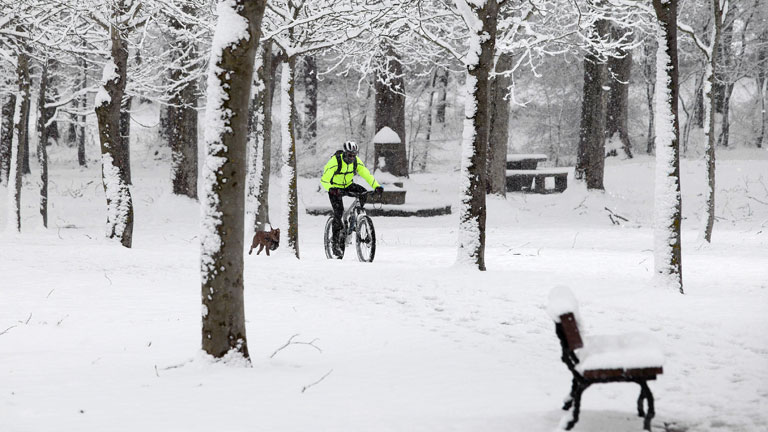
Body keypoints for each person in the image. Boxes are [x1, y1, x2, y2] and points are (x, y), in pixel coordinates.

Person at [321, 141, 383, 256]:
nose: (352, 158)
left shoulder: (356, 162)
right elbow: (324, 180)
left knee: (363, 192)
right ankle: (335, 244)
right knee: (338, 213)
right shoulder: (335, 162)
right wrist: (331, 188)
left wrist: (376, 186)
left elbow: (367, 175)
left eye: (354, 155)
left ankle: (356, 218)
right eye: (350, 155)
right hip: (335, 188)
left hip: (348, 185)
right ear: (345, 154)